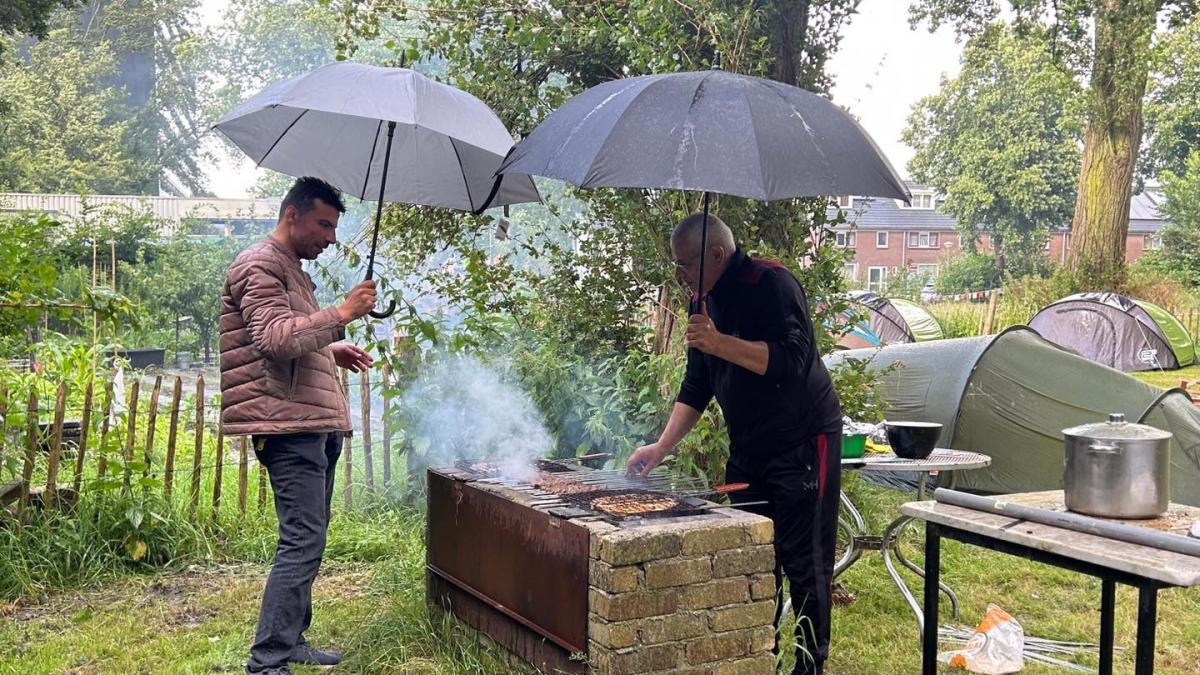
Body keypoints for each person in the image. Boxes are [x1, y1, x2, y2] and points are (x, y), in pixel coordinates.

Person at [626, 212, 842, 675]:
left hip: (803, 443)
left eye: (684, 265)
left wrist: (719, 342)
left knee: (804, 564)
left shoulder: (772, 283)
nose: (679, 275)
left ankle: (809, 668)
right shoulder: (700, 303)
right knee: (752, 556)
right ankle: (755, 658)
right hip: (749, 449)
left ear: (717, 255)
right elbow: (697, 383)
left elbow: (792, 361)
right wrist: (660, 447)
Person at [219, 176, 377, 675]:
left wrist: (331, 345)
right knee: (302, 538)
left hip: (308, 422)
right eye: (323, 224)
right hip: (286, 426)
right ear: (293, 215)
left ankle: (290, 640)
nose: (330, 238)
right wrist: (343, 312)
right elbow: (273, 339)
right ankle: (267, 661)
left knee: (311, 535)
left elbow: (288, 335)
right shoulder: (259, 264)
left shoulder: (290, 268)